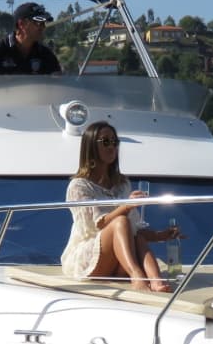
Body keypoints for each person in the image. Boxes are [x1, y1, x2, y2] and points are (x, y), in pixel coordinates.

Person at [61, 122, 181, 292]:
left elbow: (133, 231)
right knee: (120, 221)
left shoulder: (122, 184)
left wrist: (162, 235)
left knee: (137, 236)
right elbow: (98, 225)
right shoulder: (79, 186)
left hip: (118, 260)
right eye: (105, 142)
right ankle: (137, 275)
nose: (112, 147)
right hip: (90, 258)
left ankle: (156, 280)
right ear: (91, 147)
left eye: (115, 142)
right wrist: (126, 207)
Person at [0, 2, 62, 76]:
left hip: (37, 101)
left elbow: (60, 84)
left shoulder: (46, 54)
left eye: (44, 23)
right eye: (38, 23)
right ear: (21, 24)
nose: (43, 27)